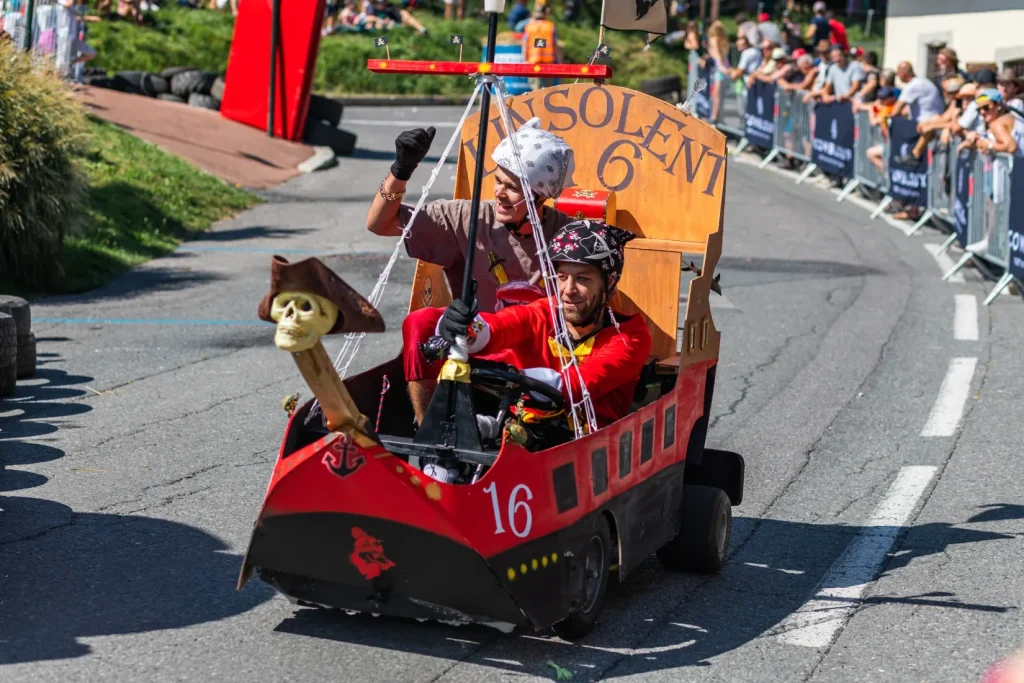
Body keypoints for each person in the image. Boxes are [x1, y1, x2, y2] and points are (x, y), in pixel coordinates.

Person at [367, 119, 576, 425]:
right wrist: (401, 172)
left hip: (538, 357)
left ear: (541, 195)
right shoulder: (468, 216)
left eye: (513, 188)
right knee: (420, 322)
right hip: (473, 344)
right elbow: (379, 224)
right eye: (498, 181)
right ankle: (430, 428)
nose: (500, 194)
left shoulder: (567, 233)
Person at [435, 220, 652, 431]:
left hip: (588, 446)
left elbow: (575, 386)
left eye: (583, 279)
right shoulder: (542, 312)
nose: (568, 289)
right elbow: (500, 327)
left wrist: (507, 374)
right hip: (518, 429)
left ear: (610, 283)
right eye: (562, 277)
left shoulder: (630, 337)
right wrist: (465, 327)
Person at [890, 61, 947, 165]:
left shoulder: (913, 85)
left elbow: (895, 111)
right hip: (930, 121)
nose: (897, 76)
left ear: (904, 73)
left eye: (898, 73)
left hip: (928, 125)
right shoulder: (922, 81)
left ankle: (915, 154)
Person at [523, 5, 559, 90]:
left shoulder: (529, 27)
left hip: (533, 61)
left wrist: (525, 59)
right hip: (548, 62)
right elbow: (555, 44)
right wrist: (558, 59)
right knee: (548, 90)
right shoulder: (550, 26)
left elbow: (525, 44)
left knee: (536, 90)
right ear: (545, 14)